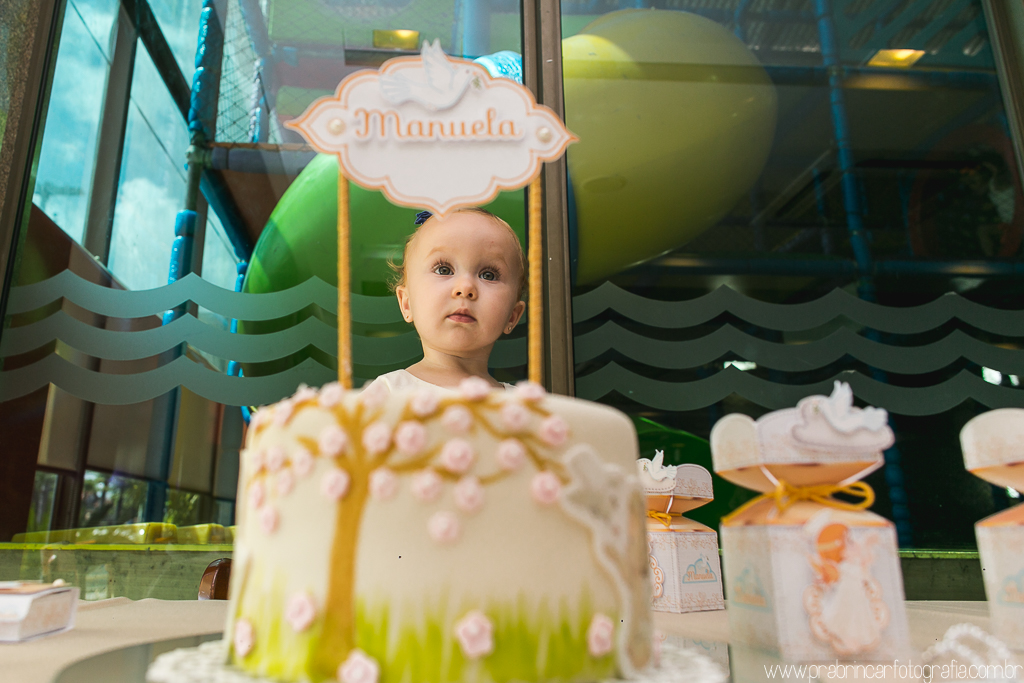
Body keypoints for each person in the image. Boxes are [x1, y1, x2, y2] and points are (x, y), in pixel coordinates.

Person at [363, 208, 527, 394]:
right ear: (407, 304)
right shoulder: (388, 393)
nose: (465, 288)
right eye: (444, 270)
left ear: (512, 316)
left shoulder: (522, 404)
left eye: (488, 275)